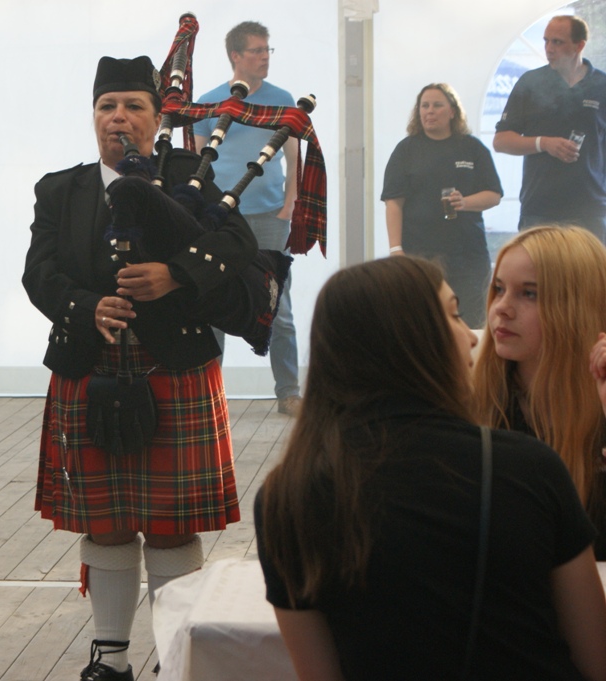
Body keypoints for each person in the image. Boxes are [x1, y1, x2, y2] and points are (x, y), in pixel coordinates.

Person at [256, 256, 606, 680]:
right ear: (415, 341)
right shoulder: (527, 468)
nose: (472, 337)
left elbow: (318, 673)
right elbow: (597, 658)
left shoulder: (286, 496)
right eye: (455, 316)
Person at [22, 55, 256, 681]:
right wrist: (86, 306)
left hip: (172, 365)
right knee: (106, 524)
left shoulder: (190, 176)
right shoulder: (61, 189)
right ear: (93, 117)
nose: (118, 117)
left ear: (157, 119)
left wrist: (175, 275)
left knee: (172, 527)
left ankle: (177, 657)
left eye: (133, 106)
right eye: (107, 106)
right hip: (88, 366)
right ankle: (111, 658)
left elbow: (237, 246)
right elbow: (40, 272)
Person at [474, 225, 606, 559]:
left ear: (577, 308)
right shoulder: (474, 404)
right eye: (499, 289)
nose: (501, 308)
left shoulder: (600, 404)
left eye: (529, 294)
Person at [193, 20, 303, 416]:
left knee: (279, 308)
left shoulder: (283, 100)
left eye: (267, 49)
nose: (264, 57)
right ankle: (208, 395)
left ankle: (289, 392)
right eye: (256, 50)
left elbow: (294, 157)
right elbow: (199, 164)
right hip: (223, 220)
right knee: (214, 303)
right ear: (235, 56)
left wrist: (290, 204)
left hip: (271, 217)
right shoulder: (210, 103)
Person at [382, 82, 503, 327]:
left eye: (437, 105)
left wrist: (465, 202)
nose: (430, 111)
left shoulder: (472, 148)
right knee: (423, 323)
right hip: (421, 254)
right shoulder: (406, 150)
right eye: (424, 106)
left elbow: (494, 195)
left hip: (468, 255)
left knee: (471, 321)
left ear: (452, 112)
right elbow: (393, 203)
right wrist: (396, 250)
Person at [494, 15, 606, 241]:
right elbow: (501, 141)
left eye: (557, 42)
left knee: (589, 267)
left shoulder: (601, 85)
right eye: (546, 41)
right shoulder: (530, 82)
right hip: (540, 208)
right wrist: (543, 143)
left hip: (590, 209)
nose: (549, 48)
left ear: (579, 45)